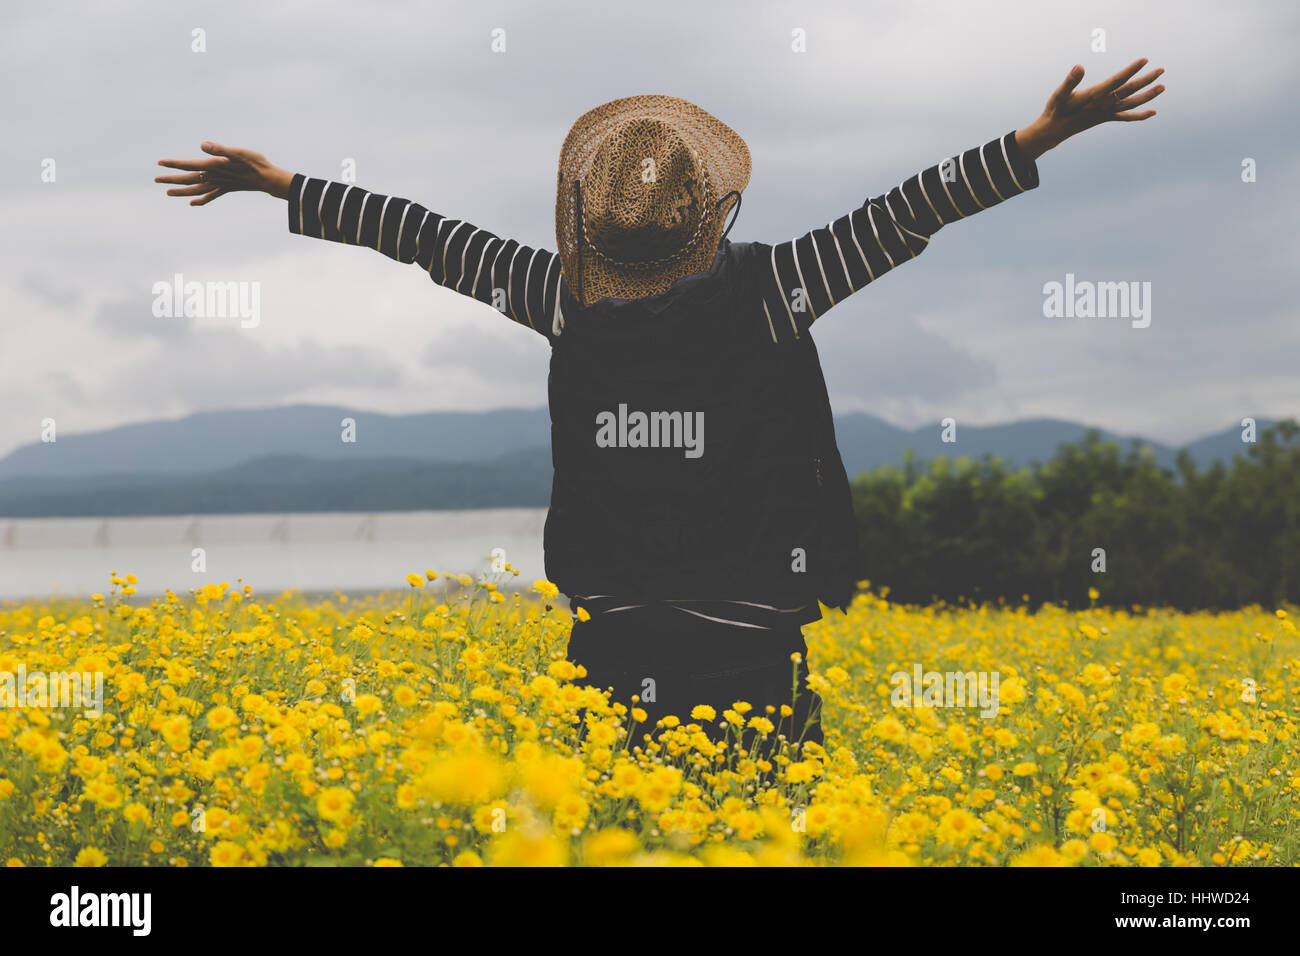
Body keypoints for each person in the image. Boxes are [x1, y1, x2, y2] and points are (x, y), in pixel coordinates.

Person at [156, 60, 1164, 756]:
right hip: (748, 644)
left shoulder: (563, 299)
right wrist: (1044, 133)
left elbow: (423, 236)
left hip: (610, 642)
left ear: (593, 218)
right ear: (709, 210)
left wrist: (279, 184)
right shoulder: (775, 288)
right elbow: (906, 212)